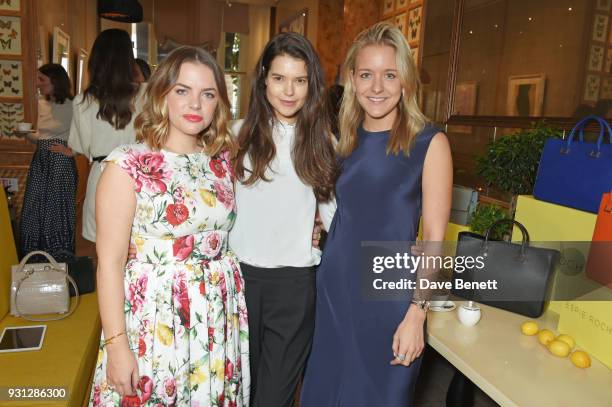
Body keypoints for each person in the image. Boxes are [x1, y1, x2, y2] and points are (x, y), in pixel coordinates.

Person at [300, 22, 452, 406]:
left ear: (406, 81)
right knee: (325, 393)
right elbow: (345, 214)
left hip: (390, 299)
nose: (377, 87)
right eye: (366, 75)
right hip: (333, 290)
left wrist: (417, 314)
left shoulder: (429, 143)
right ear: (352, 79)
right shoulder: (345, 143)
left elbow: (434, 235)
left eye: (389, 75)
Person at [90, 46, 250, 406]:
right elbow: (110, 264)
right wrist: (117, 347)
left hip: (216, 317)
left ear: (219, 104)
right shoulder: (126, 166)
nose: (195, 104)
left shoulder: (222, 162)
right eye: (182, 91)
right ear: (161, 94)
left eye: (207, 94)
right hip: (155, 317)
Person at [231, 32, 337, 406]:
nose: (289, 90)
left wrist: (319, 226)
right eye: (279, 78)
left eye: (300, 80)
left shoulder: (323, 142)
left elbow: (335, 215)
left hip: (294, 285)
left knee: (273, 398)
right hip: (237, 282)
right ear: (263, 79)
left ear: (312, 85)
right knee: (237, 393)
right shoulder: (235, 136)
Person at [68, 29, 145, 242]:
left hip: (102, 175)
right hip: (141, 176)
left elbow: (81, 147)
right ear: (129, 60)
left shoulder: (83, 101)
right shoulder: (147, 95)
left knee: (105, 252)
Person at [19, 64, 77, 261]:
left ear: (55, 81)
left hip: (60, 162)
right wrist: (26, 135)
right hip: (41, 159)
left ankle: (59, 260)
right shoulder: (41, 103)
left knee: (57, 210)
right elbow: (42, 137)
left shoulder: (73, 104)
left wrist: (72, 151)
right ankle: (35, 258)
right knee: (33, 207)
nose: (37, 84)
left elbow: (85, 133)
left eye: (41, 79)